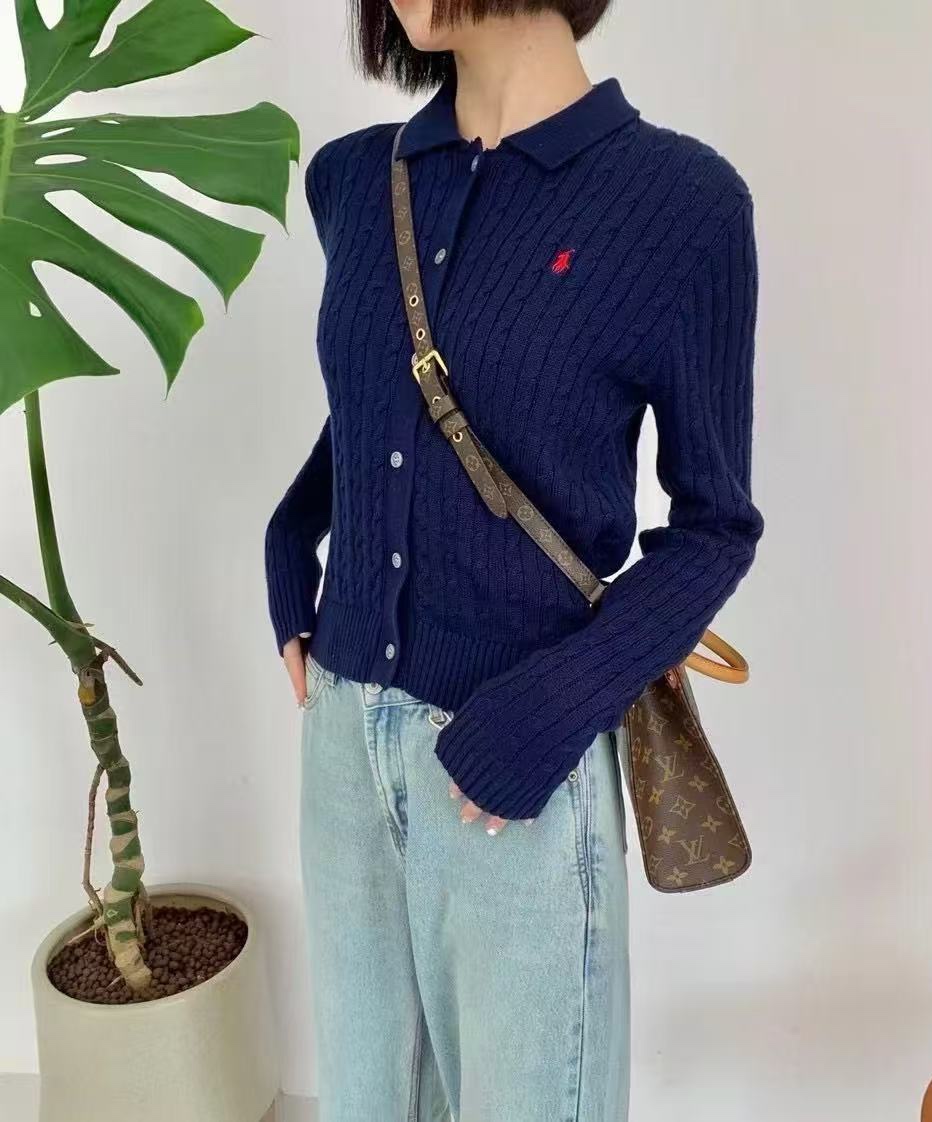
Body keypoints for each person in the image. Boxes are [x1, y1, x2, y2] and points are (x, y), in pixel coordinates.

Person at [264, 1, 764, 1118]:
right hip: (342, 742)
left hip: (518, 761)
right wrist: (289, 538)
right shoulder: (352, 179)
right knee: (365, 1099)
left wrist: (552, 713)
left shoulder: (681, 205)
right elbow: (374, 408)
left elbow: (713, 526)